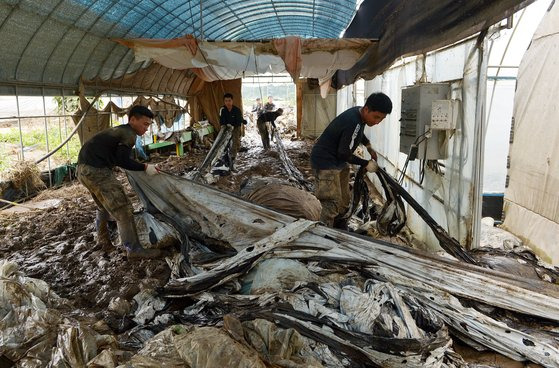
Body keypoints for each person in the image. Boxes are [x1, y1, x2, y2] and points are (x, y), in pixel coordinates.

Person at [77, 105, 161, 260]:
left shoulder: (119, 130)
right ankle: (133, 249)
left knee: (103, 206)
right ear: (132, 120)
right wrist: (145, 167)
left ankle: (103, 240)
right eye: (145, 124)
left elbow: (117, 158)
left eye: (148, 125)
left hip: (82, 170)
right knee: (123, 209)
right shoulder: (129, 134)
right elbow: (123, 161)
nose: (146, 129)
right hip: (97, 171)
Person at [310, 92, 392, 228]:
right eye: (376, 117)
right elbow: (343, 153)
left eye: (381, 119)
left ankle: (338, 226)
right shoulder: (353, 121)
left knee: (343, 200)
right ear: (366, 110)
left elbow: (358, 133)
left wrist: (369, 146)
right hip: (325, 162)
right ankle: (322, 232)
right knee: (331, 202)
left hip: (337, 161)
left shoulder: (359, 114)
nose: (377, 122)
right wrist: (366, 163)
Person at [219, 93, 244, 163]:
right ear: (224, 101)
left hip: (236, 127)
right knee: (224, 141)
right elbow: (222, 121)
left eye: (229, 100)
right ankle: (225, 155)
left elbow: (239, 121)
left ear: (232, 101)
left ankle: (233, 157)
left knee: (235, 142)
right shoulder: (222, 110)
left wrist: (233, 126)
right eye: (226, 101)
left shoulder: (237, 110)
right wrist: (224, 126)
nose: (228, 102)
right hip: (226, 127)